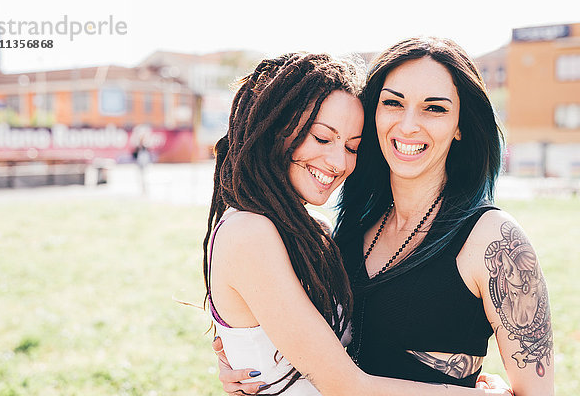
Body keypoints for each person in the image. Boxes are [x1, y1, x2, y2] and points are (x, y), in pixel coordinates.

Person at [214, 38, 553, 396]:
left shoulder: (495, 241)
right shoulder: (347, 230)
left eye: (434, 109)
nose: (408, 126)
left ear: (460, 125)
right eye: (392, 103)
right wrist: (249, 359)